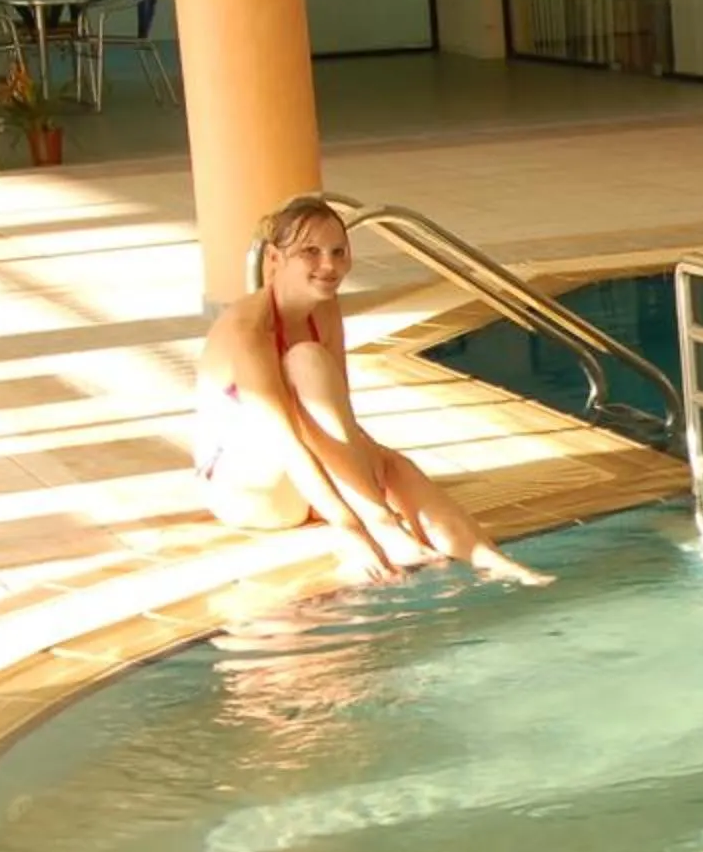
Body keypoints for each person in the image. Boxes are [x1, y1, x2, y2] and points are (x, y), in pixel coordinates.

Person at [194, 195, 548, 586]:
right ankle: (384, 528)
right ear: (275, 260)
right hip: (249, 492)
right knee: (306, 360)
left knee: (392, 464)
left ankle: (496, 563)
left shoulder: (324, 310)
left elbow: (338, 422)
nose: (329, 266)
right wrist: (355, 528)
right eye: (310, 252)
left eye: (338, 252)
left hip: (298, 477)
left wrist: (377, 469)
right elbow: (286, 443)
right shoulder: (246, 330)